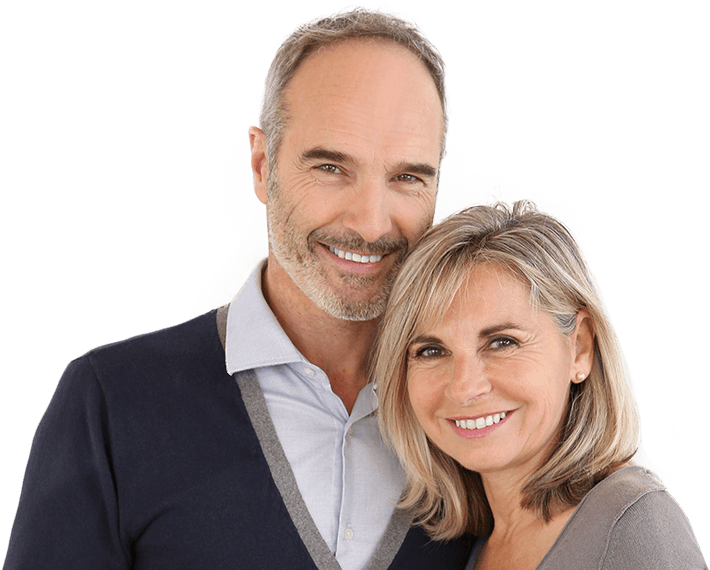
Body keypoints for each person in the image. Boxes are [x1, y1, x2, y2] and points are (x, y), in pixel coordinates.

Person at [4, 5, 473, 569]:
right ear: (260, 164)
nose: (371, 224)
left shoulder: (478, 413)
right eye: (330, 167)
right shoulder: (111, 403)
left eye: (407, 177)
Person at [374, 200, 706, 569]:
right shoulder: (464, 546)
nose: (464, 388)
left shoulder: (633, 523)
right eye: (431, 350)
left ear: (579, 346)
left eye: (502, 342)